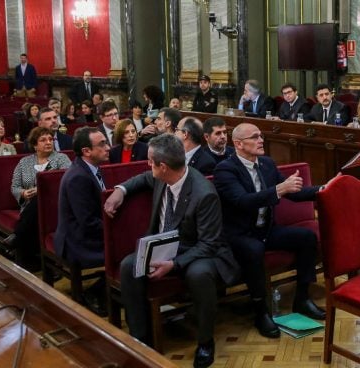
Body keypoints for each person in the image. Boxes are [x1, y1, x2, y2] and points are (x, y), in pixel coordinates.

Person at [104, 133, 239, 368]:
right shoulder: (161, 176)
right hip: (164, 244)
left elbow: (209, 243)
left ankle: (206, 342)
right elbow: (143, 178)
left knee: (199, 274)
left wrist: (174, 265)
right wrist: (120, 190)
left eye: (150, 161)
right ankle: (140, 340)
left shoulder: (204, 193)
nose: (148, 165)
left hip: (197, 249)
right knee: (128, 266)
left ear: (163, 166)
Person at [213, 123, 326, 339]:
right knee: (254, 249)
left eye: (260, 135)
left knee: (307, 238)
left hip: (266, 229)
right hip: (240, 234)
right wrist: (278, 190)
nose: (261, 140)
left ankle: (302, 298)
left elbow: (292, 193)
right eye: (254, 137)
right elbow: (241, 201)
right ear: (238, 144)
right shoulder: (225, 169)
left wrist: (322, 189)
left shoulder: (266, 163)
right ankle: (260, 312)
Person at [54, 126, 110, 315]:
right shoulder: (78, 177)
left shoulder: (89, 168)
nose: (108, 147)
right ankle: (95, 292)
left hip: (86, 232)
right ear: (86, 151)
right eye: (102, 144)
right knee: (130, 250)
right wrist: (116, 233)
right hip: (77, 240)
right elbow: (87, 222)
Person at [5, 127, 71, 270]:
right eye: (43, 140)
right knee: (35, 204)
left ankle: (17, 236)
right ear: (35, 145)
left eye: (50, 139)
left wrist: (40, 190)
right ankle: (28, 262)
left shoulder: (62, 159)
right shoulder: (24, 162)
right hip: (30, 207)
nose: (48, 142)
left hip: (54, 206)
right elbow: (14, 186)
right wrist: (23, 193)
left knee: (40, 198)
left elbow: (65, 183)